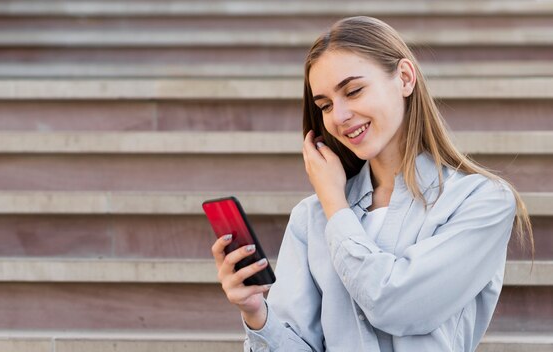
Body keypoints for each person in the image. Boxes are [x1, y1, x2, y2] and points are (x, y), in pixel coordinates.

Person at [211, 16, 533, 351]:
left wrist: (336, 205)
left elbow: (397, 304)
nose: (339, 116)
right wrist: (256, 314)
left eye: (353, 91)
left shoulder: (481, 202)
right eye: (324, 105)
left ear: (405, 78)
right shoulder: (310, 217)